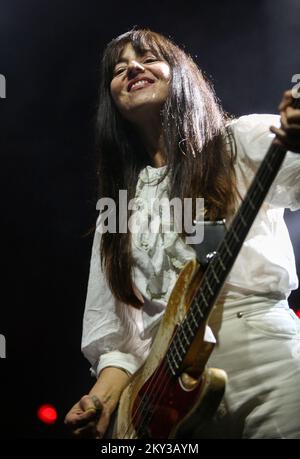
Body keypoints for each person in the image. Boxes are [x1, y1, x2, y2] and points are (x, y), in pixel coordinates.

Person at [64, 27, 300, 439]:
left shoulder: (237, 143)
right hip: (168, 399)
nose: (132, 68)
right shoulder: (116, 211)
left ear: (182, 74)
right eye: (119, 70)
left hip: (267, 358)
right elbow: (118, 338)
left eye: (147, 58)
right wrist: (100, 401)